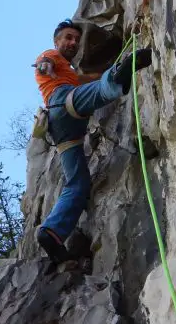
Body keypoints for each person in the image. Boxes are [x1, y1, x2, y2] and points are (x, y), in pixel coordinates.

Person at [33, 19, 152, 263]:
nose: (73, 42)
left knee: (78, 183)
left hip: (63, 132)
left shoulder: (70, 73)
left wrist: (107, 68)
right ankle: (118, 77)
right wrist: (46, 67)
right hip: (63, 103)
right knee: (95, 91)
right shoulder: (50, 56)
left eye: (76, 39)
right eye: (68, 37)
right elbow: (43, 65)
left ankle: (52, 231)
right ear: (56, 41)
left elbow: (88, 80)